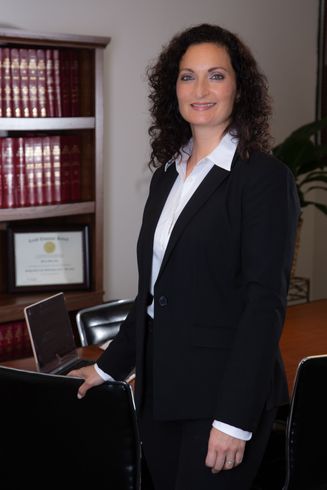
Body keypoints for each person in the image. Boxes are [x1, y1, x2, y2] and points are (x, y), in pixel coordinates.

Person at [69, 23, 300, 489]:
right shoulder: (167, 177)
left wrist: (233, 419)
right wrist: (108, 367)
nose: (200, 89)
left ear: (240, 87)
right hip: (160, 394)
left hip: (221, 401)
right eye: (187, 76)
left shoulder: (263, 180)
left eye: (216, 75)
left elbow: (264, 306)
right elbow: (153, 296)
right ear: (172, 87)